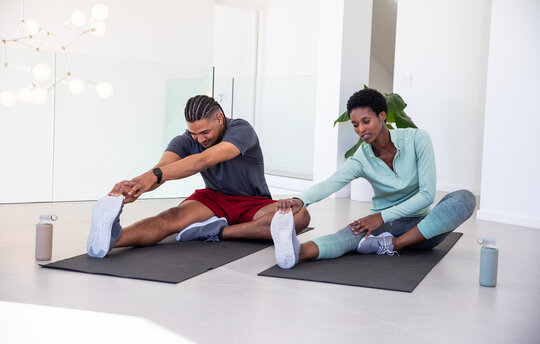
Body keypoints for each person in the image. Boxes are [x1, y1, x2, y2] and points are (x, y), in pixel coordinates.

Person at [269, 88, 476, 269]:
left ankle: (393, 245)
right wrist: (300, 200)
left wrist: (381, 217)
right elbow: (333, 182)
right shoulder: (362, 158)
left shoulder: (417, 139)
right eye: (355, 125)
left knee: (465, 198)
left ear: (382, 116)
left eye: (366, 121)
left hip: (423, 228)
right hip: (383, 228)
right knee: (347, 235)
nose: (361, 129)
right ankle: (297, 251)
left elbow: (427, 195)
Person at [87, 95, 310, 258]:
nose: (200, 139)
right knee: (169, 217)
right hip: (213, 200)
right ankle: (112, 238)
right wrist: (136, 184)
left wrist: (154, 175)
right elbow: (162, 170)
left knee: (300, 216)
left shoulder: (241, 129)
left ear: (219, 119)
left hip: (253, 203)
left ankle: (216, 231)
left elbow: (204, 160)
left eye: (205, 132)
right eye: (194, 133)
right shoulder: (184, 141)